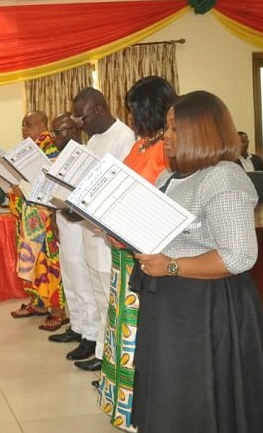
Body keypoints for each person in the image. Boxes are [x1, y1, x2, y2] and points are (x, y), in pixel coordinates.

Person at [131, 91, 263, 433]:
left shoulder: (223, 176)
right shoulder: (169, 177)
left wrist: (171, 266)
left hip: (209, 308)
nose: (166, 135)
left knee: (201, 399)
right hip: (173, 304)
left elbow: (239, 255)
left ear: (200, 130)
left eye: (174, 128)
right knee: (172, 393)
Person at [96, 76, 176, 430]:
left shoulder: (167, 148)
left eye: (134, 110)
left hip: (145, 252)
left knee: (139, 332)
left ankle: (140, 407)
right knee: (121, 327)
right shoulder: (143, 144)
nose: (130, 117)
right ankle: (121, 403)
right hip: (122, 250)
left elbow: (162, 201)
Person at [70, 88, 135, 371]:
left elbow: (119, 189)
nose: (80, 124)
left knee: (111, 301)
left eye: (82, 117)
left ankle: (109, 358)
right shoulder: (94, 140)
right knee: (98, 297)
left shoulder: (125, 138)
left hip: (109, 236)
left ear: (99, 108)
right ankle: (100, 351)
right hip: (89, 230)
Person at [8, 110, 67, 332]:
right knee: (33, 264)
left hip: (45, 219)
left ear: (43, 124)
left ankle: (57, 310)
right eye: (22, 125)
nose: (24, 129)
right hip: (29, 218)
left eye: (28, 124)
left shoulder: (50, 148)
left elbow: (50, 184)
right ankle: (39, 303)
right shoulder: (28, 151)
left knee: (48, 264)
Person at [47, 112, 99, 354]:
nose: (55, 137)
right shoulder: (60, 158)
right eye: (54, 132)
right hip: (63, 220)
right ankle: (77, 326)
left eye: (59, 132)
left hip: (80, 224)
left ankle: (91, 336)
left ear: (74, 130)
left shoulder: (87, 156)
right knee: (68, 275)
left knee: (81, 278)